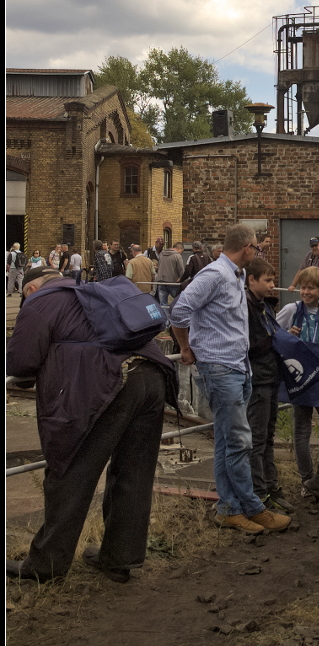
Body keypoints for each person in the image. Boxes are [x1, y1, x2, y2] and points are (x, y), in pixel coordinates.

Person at [5, 265, 178, 583]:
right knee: (133, 472)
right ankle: (119, 559)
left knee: (70, 471)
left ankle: (46, 566)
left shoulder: (40, 302)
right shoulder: (97, 290)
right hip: (153, 378)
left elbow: (21, 362)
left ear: (30, 289)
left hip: (107, 386)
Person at [168, 224, 290, 534]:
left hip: (236, 367)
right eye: (256, 248)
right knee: (239, 439)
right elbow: (179, 310)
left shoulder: (233, 275)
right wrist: (185, 347)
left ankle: (228, 508)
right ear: (247, 247)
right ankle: (252, 506)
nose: (257, 252)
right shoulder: (215, 275)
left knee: (227, 440)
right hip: (221, 368)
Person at [277, 266, 319, 499]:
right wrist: (288, 336)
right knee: (301, 428)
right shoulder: (290, 310)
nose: (305, 292)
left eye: (311, 288)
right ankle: (307, 479)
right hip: (300, 375)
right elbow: (273, 333)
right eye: (303, 287)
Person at [244, 258, 294, 515]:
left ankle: (271, 487)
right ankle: (259, 493)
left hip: (269, 375)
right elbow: (249, 345)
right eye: (267, 280)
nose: (273, 285)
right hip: (258, 377)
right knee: (257, 438)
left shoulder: (264, 307)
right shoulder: (246, 308)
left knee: (267, 437)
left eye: (273, 280)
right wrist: (276, 339)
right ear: (251, 280)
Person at [155, 241, 185, 316]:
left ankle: (166, 322)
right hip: (173, 282)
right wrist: (181, 278)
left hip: (161, 281)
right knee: (178, 301)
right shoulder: (177, 256)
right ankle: (175, 319)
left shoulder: (161, 254)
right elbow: (181, 269)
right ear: (179, 248)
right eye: (182, 251)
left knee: (163, 304)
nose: (182, 253)